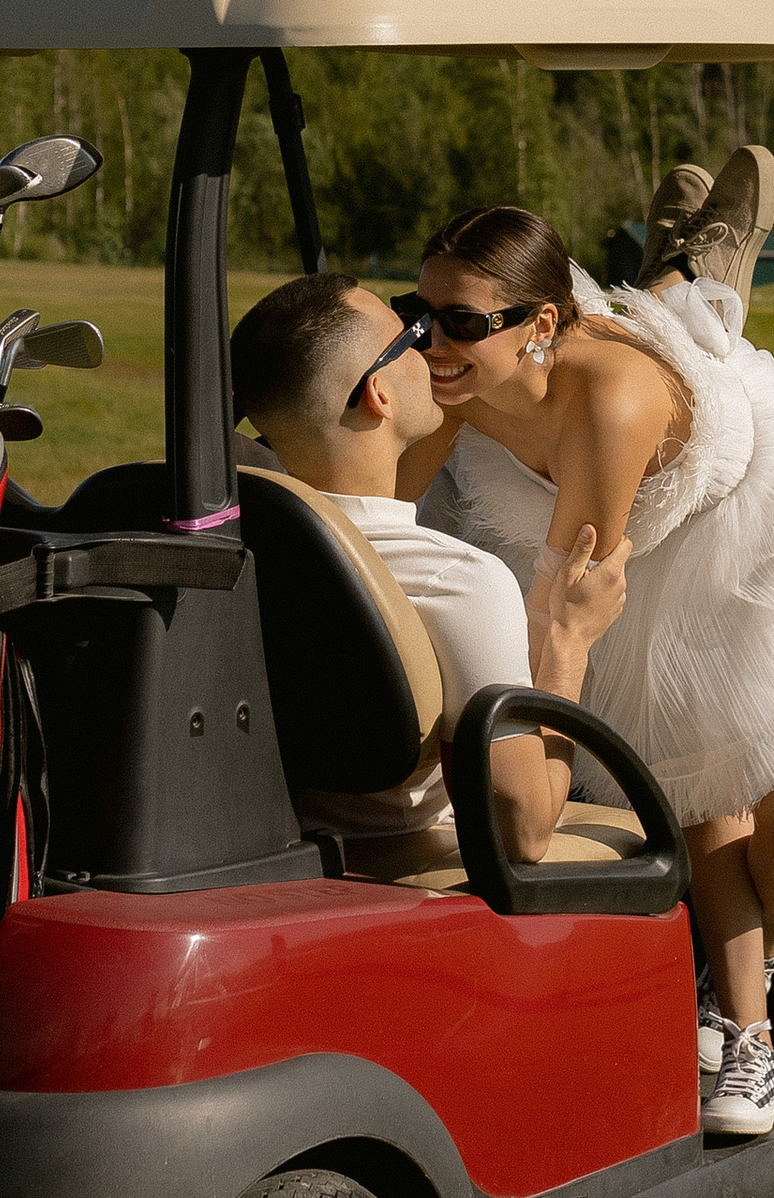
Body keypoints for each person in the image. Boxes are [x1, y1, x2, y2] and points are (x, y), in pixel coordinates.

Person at [397, 156, 774, 1142]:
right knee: (700, 780)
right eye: (420, 310)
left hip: (747, 503)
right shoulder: (452, 373)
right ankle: (748, 1034)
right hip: (606, 522)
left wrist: (539, 765)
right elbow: (378, 484)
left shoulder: (608, 398)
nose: (430, 341)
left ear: (537, 328)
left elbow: (574, 604)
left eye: (460, 322)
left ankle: (699, 262)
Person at [228, 270, 630, 869]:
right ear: (378, 395)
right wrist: (570, 640)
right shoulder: (457, 582)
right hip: (400, 862)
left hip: (267, 846)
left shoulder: (230, 539)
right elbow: (522, 832)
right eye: (411, 334)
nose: (432, 349)